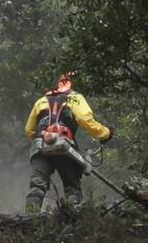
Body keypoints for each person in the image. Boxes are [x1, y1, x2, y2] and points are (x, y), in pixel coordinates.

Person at [23, 71, 113, 215]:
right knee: (72, 188)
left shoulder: (41, 101)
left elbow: (29, 130)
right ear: (72, 83)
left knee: (37, 186)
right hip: (65, 147)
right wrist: (105, 134)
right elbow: (85, 120)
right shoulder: (75, 97)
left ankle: (28, 221)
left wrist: (40, 142)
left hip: (40, 147)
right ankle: (71, 222)